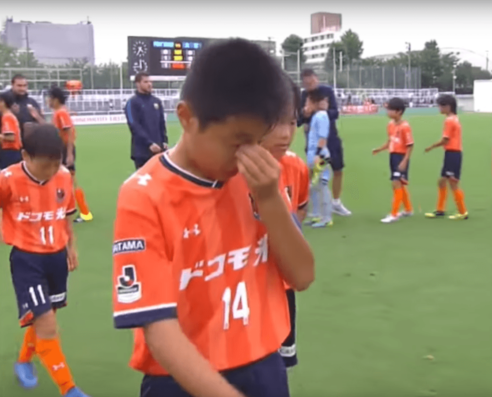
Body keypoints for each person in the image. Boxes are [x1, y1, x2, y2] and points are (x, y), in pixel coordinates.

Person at [112, 38, 314, 397]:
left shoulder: (261, 176)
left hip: (265, 366)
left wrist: (268, 198)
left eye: (257, 139)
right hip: (180, 379)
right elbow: (159, 330)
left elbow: (302, 275)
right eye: (237, 141)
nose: (249, 153)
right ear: (187, 118)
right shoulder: (143, 195)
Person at [4, 124, 88, 397]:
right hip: (28, 260)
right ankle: (69, 389)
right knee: (46, 323)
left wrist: (71, 247)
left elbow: (65, 217)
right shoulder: (7, 179)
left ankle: (24, 362)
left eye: (56, 164)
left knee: (45, 317)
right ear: (25, 156)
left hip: (56, 258)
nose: (52, 171)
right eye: (46, 166)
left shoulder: (62, 177)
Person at [260, 80, 310, 369]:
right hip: (247, 285)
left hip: (284, 283)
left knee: (280, 364)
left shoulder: (295, 166)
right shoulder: (229, 173)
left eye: (292, 122)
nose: (286, 134)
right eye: (275, 122)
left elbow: (299, 210)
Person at [299, 69, 351, 216]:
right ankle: (306, 203)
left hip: (331, 136)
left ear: (316, 79)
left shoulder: (327, 91)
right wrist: (305, 113)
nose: (310, 85)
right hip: (313, 139)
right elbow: (298, 120)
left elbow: (335, 112)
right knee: (312, 172)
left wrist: (322, 111)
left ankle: (336, 202)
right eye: (307, 83)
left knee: (338, 169)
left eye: (312, 81)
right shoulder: (303, 96)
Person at [47, 87, 93, 224]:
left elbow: (69, 133)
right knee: (62, 180)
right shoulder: (58, 113)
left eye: (49, 98)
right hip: (61, 149)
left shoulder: (61, 113)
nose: (47, 101)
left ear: (55, 99)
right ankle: (70, 210)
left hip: (65, 150)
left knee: (68, 180)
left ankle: (84, 213)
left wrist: (69, 154)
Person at [424, 94, 468, 220]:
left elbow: (445, 140)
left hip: (453, 153)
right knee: (442, 181)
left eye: (441, 105)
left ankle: (462, 211)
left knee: (452, 182)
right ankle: (440, 210)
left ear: (448, 107)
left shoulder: (449, 120)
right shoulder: (454, 118)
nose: (439, 108)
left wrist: (431, 146)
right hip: (452, 153)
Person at [372, 97, 414, 224]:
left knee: (395, 183)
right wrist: (379, 149)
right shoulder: (390, 125)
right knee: (399, 183)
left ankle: (394, 214)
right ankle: (408, 209)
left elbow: (410, 145)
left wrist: (405, 160)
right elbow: (390, 141)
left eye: (390, 110)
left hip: (401, 157)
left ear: (399, 112)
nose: (387, 112)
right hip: (393, 156)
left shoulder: (405, 127)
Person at [124, 72, 168, 170]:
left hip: (159, 151)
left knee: (159, 183)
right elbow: (134, 125)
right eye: (146, 82)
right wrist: (149, 143)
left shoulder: (156, 101)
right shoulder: (132, 103)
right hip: (142, 152)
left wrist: (164, 141)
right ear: (138, 84)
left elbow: (161, 123)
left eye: (150, 82)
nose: (149, 84)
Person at [305, 88, 333, 228]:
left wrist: (317, 154)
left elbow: (323, 138)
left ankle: (326, 217)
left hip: (320, 155)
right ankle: (316, 215)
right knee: (313, 187)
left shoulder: (322, 116)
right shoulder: (316, 116)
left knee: (321, 185)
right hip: (313, 154)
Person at [9, 74, 44, 141]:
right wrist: (12, 114)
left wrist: (37, 116)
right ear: (12, 85)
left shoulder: (32, 102)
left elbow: (44, 125)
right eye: (19, 86)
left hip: (30, 144)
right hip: (10, 144)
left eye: (24, 86)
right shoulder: (4, 101)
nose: (22, 88)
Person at [0, 91, 22, 169]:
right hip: (12, 152)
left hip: (10, 152)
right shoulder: (9, 116)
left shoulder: (7, 117)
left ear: (3, 102)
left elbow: (11, 137)